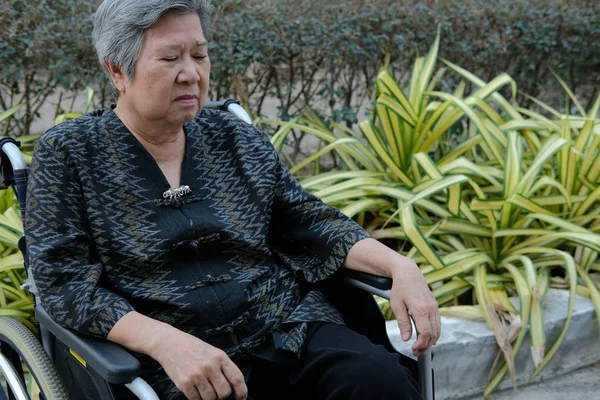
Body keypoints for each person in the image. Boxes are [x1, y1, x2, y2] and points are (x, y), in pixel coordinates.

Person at [26, 1, 441, 399]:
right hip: (173, 360)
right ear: (118, 70)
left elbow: (308, 220)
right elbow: (64, 283)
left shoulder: (234, 138)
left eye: (200, 55)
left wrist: (398, 265)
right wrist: (165, 342)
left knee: (378, 380)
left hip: (287, 327)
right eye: (171, 58)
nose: (191, 74)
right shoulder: (70, 154)